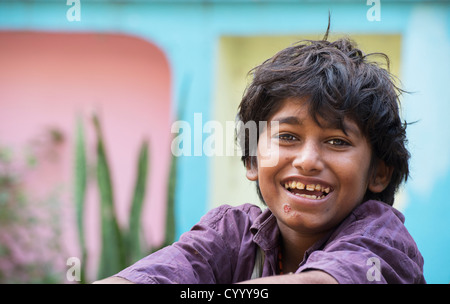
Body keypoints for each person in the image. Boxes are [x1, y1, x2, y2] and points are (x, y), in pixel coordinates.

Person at [95, 31, 425, 284]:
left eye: (337, 142)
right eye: (288, 137)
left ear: (379, 173)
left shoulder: (382, 238)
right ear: (252, 159)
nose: (308, 160)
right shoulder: (230, 233)